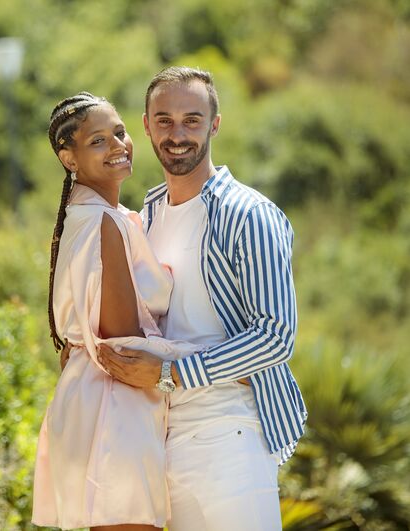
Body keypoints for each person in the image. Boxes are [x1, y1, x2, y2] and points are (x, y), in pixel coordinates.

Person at [97, 66, 307, 531]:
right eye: (165, 120)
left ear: (214, 124)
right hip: (163, 436)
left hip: (230, 434)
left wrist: (172, 372)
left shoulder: (249, 215)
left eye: (192, 120)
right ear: (146, 125)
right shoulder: (145, 214)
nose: (178, 134)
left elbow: (276, 336)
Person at [31, 92, 201, 530]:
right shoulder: (102, 222)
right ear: (69, 158)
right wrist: (218, 362)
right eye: (98, 141)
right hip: (115, 406)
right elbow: (125, 340)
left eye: (120, 133)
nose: (118, 146)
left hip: (96, 396)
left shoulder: (106, 216)